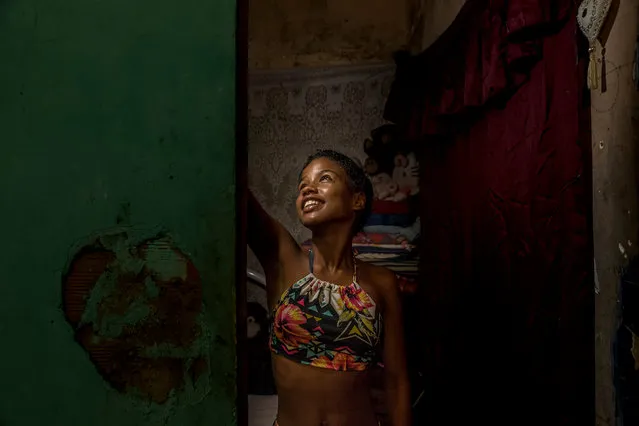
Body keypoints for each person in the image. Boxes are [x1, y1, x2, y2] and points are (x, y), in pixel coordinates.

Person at [248, 149, 411, 426]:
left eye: (324, 178)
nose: (308, 188)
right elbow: (241, 200)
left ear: (357, 199)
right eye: (302, 185)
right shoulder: (284, 259)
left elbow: (396, 383)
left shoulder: (381, 282)